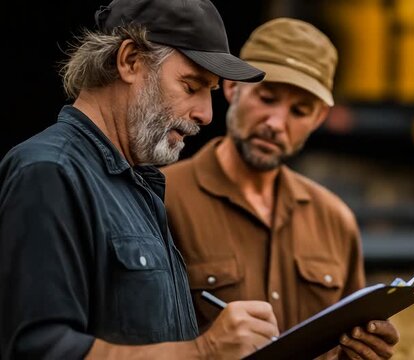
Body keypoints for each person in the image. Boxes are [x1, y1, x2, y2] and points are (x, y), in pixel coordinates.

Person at [0, 0, 281, 358]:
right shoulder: (48, 171)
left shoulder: (137, 182)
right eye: (191, 85)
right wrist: (205, 350)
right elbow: (39, 349)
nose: (206, 115)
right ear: (130, 60)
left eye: (209, 92)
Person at [162, 17, 399, 359]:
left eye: (299, 111)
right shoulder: (162, 198)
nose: (276, 123)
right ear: (232, 88)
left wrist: (366, 350)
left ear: (318, 119)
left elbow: (348, 342)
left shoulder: (335, 219)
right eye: (267, 97)